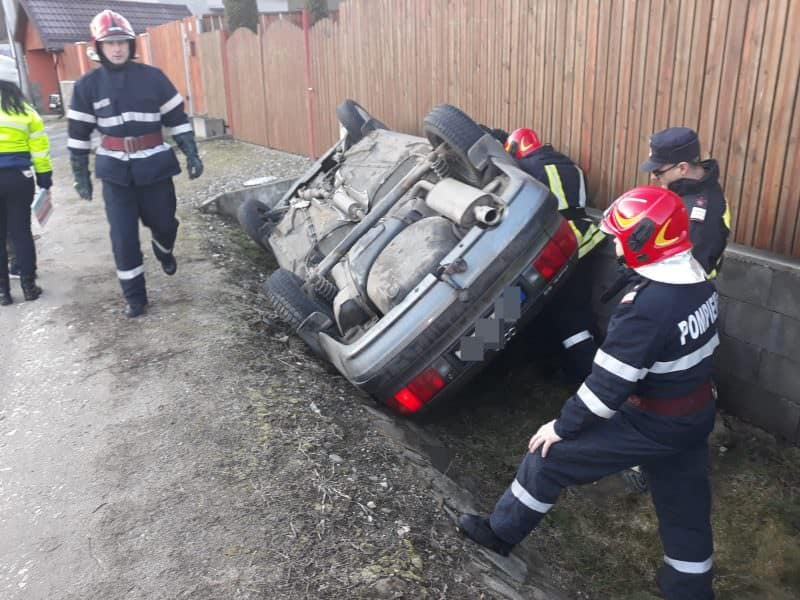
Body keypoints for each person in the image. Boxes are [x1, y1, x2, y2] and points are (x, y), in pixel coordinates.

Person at [459, 186, 719, 600]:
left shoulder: (647, 309)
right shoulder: (699, 284)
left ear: (643, 241)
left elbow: (605, 389)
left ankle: (499, 533)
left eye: (620, 236)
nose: (614, 243)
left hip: (654, 421)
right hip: (694, 414)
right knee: (685, 505)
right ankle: (689, 588)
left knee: (547, 458)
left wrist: (561, 426)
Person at [67, 10, 204, 318]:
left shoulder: (153, 77)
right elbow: (77, 136)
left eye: (122, 42)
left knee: (166, 223)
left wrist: (192, 152)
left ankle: (163, 247)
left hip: (154, 165)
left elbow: (176, 119)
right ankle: (135, 298)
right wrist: (81, 174)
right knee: (123, 237)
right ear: (99, 47)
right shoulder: (86, 86)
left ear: (131, 45)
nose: (117, 49)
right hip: (115, 173)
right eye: (110, 43)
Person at [504, 128, 607, 382]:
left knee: (569, 321)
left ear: (516, 149)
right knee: (577, 310)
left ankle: (589, 382)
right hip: (588, 243)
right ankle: (571, 367)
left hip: (557, 249)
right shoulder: (569, 165)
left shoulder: (525, 170)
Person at [640, 127, 730, 278]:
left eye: (657, 171)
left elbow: (683, 275)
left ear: (682, 168)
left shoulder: (697, 218)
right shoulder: (696, 185)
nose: (653, 178)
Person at [0, 55, 51, 306]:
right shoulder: (25, 111)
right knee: (20, 231)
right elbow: (40, 149)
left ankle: (3, 293)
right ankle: (29, 286)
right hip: (19, 177)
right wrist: (45, 178)